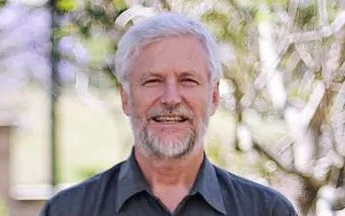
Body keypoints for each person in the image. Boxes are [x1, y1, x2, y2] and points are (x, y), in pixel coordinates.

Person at [40, 12, 298, 216]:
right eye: (153, 81)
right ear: (125, 97)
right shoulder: (68, 211)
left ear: (214, 97)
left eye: (188, 80)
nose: (171, 98)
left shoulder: (267, 210)